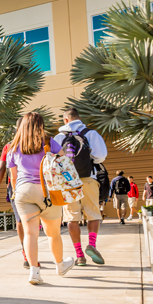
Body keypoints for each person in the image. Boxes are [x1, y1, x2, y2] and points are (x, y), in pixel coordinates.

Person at [7, 112, 75, 285]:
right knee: (53, 234)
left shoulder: (13, 147)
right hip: (47, 191)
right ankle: (60, 265)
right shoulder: (48, 142)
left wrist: (17, 193)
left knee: (30, 233)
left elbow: (13, 177)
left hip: (23, 191)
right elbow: (64, 163)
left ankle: (34, 272)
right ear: (40, 125)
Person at [54, 107, 108, 266]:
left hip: (68, 182)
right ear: (79, 118)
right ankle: (92, 244)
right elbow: (100, 157)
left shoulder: (58, 137)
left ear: (65, 120)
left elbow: (53, 161)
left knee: (72, 217)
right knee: (93, 213)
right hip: (89, 178)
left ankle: (79, 255)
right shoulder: (91, 134)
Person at [0, 119, 37, 268]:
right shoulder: (37, 143)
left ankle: (26, 253)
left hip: (17, 186)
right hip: (37, 184)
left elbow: (1, 169)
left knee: (20, 219)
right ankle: (30, 253)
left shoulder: (9, 146)